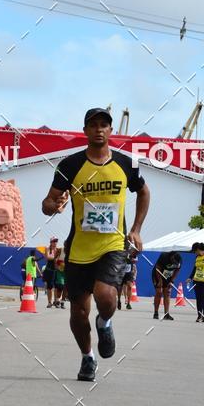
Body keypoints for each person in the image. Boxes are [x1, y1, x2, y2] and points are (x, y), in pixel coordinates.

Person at [41, 107, 150, 381]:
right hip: (79, 248)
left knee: (105, 295)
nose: (99, 129)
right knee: (78, 312)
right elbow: (47, 202)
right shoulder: (70, 165)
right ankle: (87, 358)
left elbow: (144, 191)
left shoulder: (128, 163)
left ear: (111, 131)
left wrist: (136, 229)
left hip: (113, 244)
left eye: (104, 125)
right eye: (94, 125)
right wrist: (54, 205)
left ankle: (105, 322)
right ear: (85, 131)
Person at [152, 250, 182, 320]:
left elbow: (177, 270)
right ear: (171, 257)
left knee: (167, 292)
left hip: (168, 275)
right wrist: (159, 281)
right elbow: (157, 269)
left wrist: (172, 281)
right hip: (158, 273)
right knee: (159, 292)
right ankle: (156, 313)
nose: (174, 263)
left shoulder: (179, 260)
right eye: (173, 261)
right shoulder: (164, 256)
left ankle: (166, 314)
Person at [118, 245, 138, 310]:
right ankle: (119, 300)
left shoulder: (132, 252)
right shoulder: (121, 249)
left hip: (129, 271)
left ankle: (128, 303)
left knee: (130, 286)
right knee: (120, 287)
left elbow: (135, 260)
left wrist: (131, 259)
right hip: (121, 271)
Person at [43, 237, 59, 307]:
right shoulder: (47, 249)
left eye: (56, 241)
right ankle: (49, 302)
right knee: (49, 287)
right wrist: (55, 257)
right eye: (54, 241)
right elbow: (47, 257)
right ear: (51, 242)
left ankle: (55, 301)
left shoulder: (58, 250)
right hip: (49, 270)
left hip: (56, 270)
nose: (55, 243)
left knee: (57, 286)